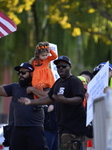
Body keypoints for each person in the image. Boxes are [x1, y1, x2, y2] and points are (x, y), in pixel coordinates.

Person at [19, 56, 87, 150]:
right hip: (62, 127)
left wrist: (63, 100)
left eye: (63, 66)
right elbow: (49, 98)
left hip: (74, 127)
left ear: (70, 67)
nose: (60, 68)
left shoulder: (74, 81)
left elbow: (79, 99)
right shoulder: (58, 82)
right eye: (58, 67)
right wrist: (30, 102)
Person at [1, 62, 49, 150]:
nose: (20, 75)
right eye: (19, 73)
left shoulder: (39, 86)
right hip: (18, 128)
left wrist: (32, 89)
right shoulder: (15, 87)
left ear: (31, 73)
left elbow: (49, 96)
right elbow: (1, 91)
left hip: (35, 128)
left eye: (23, 73)